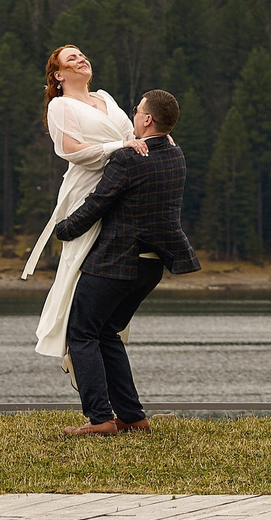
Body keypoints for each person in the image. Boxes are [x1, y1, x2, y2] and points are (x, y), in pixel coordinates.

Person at [50, 89, 199, 436]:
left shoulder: (130, 159)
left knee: (82, 332)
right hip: (150, 268)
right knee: (106, 332)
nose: (132, 115)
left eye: (137, 111)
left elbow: (98, 202)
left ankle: (100, 419)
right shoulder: (176, 156)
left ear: (147, 119)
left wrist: (64, 229)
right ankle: (132, 416)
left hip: (116, 263)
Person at [22, 46, 147, 365]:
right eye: (72, 58)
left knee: (115, 270)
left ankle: (102, 339)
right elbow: (71, 151)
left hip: (122, 189)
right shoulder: (60, 106)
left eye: (82, 55)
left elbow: (133, 138)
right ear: (58, 75)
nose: (82, 59)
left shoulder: (105, 98)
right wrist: (120, 146)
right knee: (80, 265)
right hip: (87, 190)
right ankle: (72, 343)